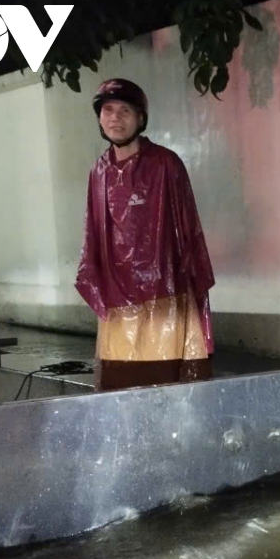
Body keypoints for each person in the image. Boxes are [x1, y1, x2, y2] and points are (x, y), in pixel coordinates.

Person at [74, 78, 216, 391]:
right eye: (108, 110)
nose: (115, 118)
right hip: (116, 300)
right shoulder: (98, 172)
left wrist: (185, 284)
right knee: (120, 388)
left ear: (141, 118)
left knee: (168, 384)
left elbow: (187, 231)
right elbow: (94, 233)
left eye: (125, 110)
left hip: (166, 293)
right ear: (99, 118)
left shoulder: (166, 164)